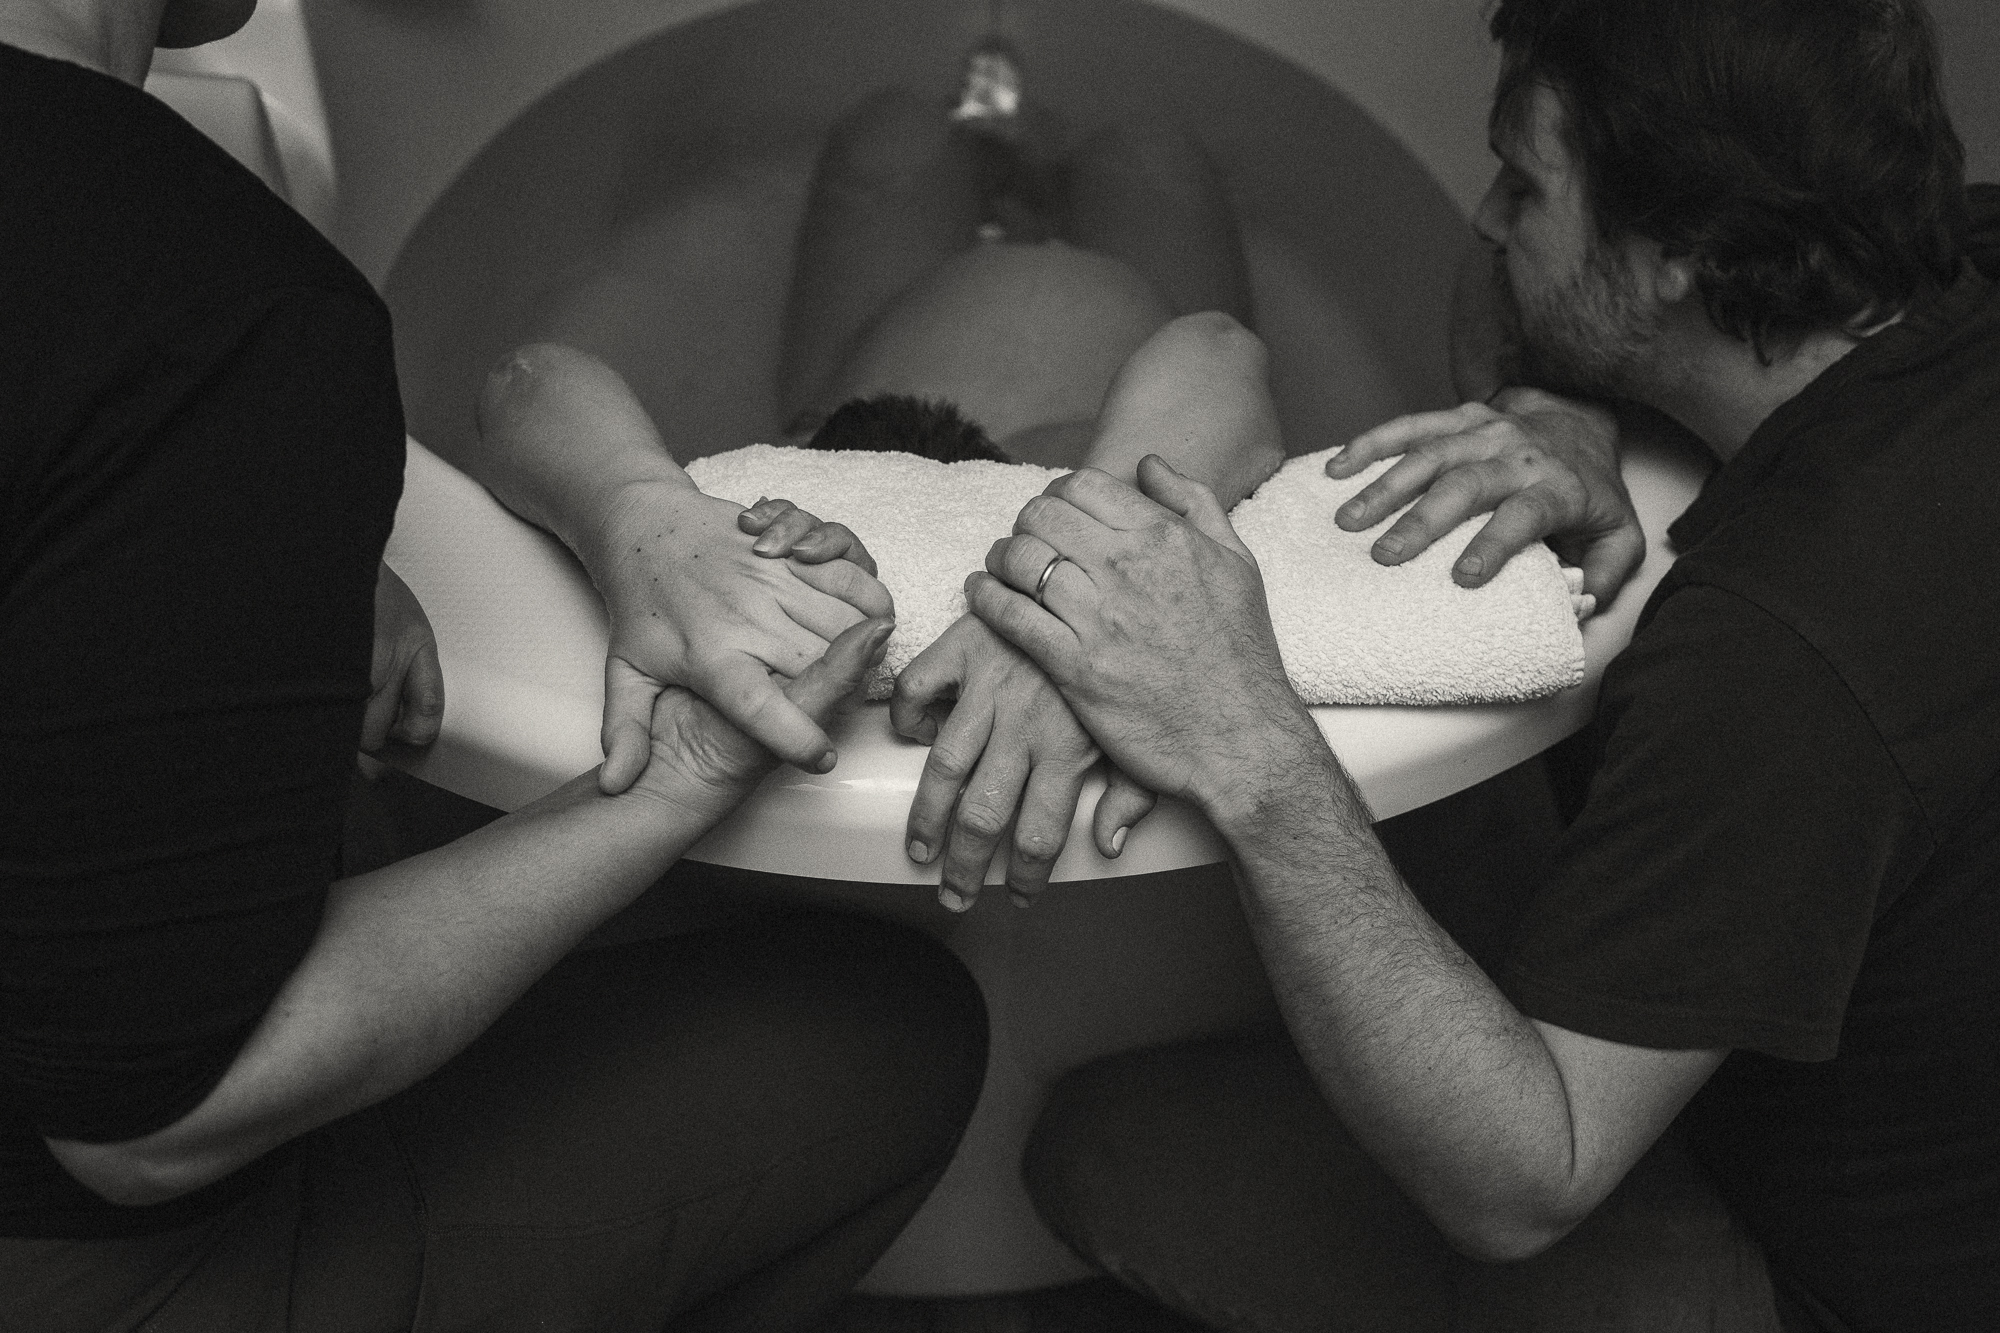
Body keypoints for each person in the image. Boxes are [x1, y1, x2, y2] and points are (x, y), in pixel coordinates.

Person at [958, 0, 1999, 1328]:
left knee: (1103, 1147)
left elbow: (1524, 1177)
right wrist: (1569, 405)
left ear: (1682, 252)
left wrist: (1248, 744)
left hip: (1823, 1285)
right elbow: (1501, 285)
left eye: (1529, 184)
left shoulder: (1780, 653)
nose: (1494, 221)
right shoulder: (1961, 260)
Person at [0, 4, 988, 1330]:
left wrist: (243, 545)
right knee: (891, 1036)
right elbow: (148, 1123)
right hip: (78, 1256)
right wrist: (675, 778)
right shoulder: (205, 301)